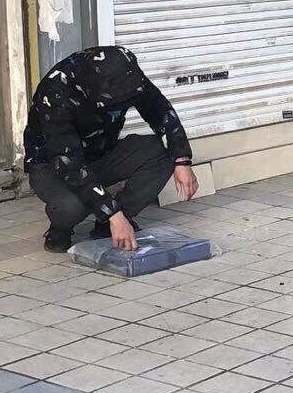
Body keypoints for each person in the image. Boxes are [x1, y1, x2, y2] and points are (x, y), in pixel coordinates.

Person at [24, 45, 199, 253]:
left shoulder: (126, 73)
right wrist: (112, 213)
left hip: (101, 153)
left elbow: (160, 110)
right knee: (72, 207)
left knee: (163, 153)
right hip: (52, 165)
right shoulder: (56, 90)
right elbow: (69, 163)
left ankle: (111, 223)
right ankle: (61, 228)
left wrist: (182, 160)